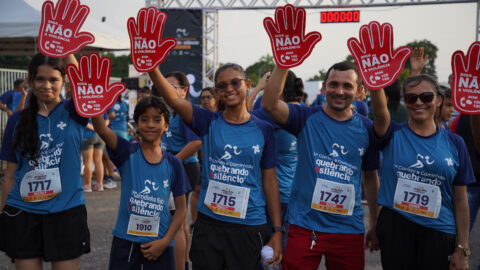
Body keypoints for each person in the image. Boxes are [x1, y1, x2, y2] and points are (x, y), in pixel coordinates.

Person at [149, 63, 283, 269]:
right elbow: (174, 100)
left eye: (235, 83)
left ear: (247, 85)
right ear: (218, 92)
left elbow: (270, 180)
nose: (229, 89)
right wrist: (151, 68)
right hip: (210, 226)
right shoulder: (208, 121)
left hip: (249, 227)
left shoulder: (263, 129)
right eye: (222, 86)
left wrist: (277, 230)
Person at [263, 62, 380, 270]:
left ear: (360, 91)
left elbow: (370, 176)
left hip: (348, 228)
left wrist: (375, 223)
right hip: (304, 226)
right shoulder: (305, 117)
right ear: (324, 87)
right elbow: (270, 104)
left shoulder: (367, 128)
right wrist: (282, 63)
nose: (339, 91)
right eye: (333, 84)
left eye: (347, 86)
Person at [370, 74, 474, 269]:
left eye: (426, 97)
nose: (419, 103)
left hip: (439, 231)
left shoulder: (455, 143)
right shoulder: (391, 134)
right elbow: (380, 112)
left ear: (438, 100)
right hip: (396, 227)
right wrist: (374, 82)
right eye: (411, 98)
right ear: (404, 101)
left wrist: (462, 249)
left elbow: (461, 201)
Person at [0, 53, 90, 269]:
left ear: (64, 81)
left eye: (53, 80)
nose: (46, 85)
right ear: (30, 81)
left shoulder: (76, 112)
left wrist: (66, 48)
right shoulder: (17, 120)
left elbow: (84, 86)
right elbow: (10, 175)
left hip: (66, 211)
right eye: (40, 79)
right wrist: (3, 217)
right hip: (22, 212)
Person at [89, 96, 190, 270]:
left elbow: (181, 210)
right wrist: (93, 100)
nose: (150, 124)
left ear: (166, 126)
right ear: (136, 125)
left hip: (160, 243)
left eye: (157, 120)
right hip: (126, 241)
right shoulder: (126, 151)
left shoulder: (174, 164)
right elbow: (101, 129)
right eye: (144, 119)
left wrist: (165, 241)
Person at [250, 70, 302, 249]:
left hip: (272, 196)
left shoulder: (271, 114)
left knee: (267, 252)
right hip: (295, 195)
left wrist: (257, 88)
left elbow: (241, 117)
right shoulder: (303, 113)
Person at [161, 71, 201, 270]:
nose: (165, 91)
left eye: (171, 87)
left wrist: (175, 161)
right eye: (163, 87)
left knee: (176, 222)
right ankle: (183, 263)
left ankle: (181, 265)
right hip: (176, 167)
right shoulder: (170, 113)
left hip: (184, 168)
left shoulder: (186, 113)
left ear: (184, 91)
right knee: (181, 222)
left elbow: (196, 141)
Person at [81, 114, 109, 192]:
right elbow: (107, 120)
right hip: (100, 136)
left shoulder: (84, 106)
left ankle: (87, 186)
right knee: (99, 161)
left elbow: (83, 122)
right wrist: (100, 128)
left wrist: (93, 128)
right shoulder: (100, 106)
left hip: (87, 136)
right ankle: (100, 185)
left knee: (87, 162)